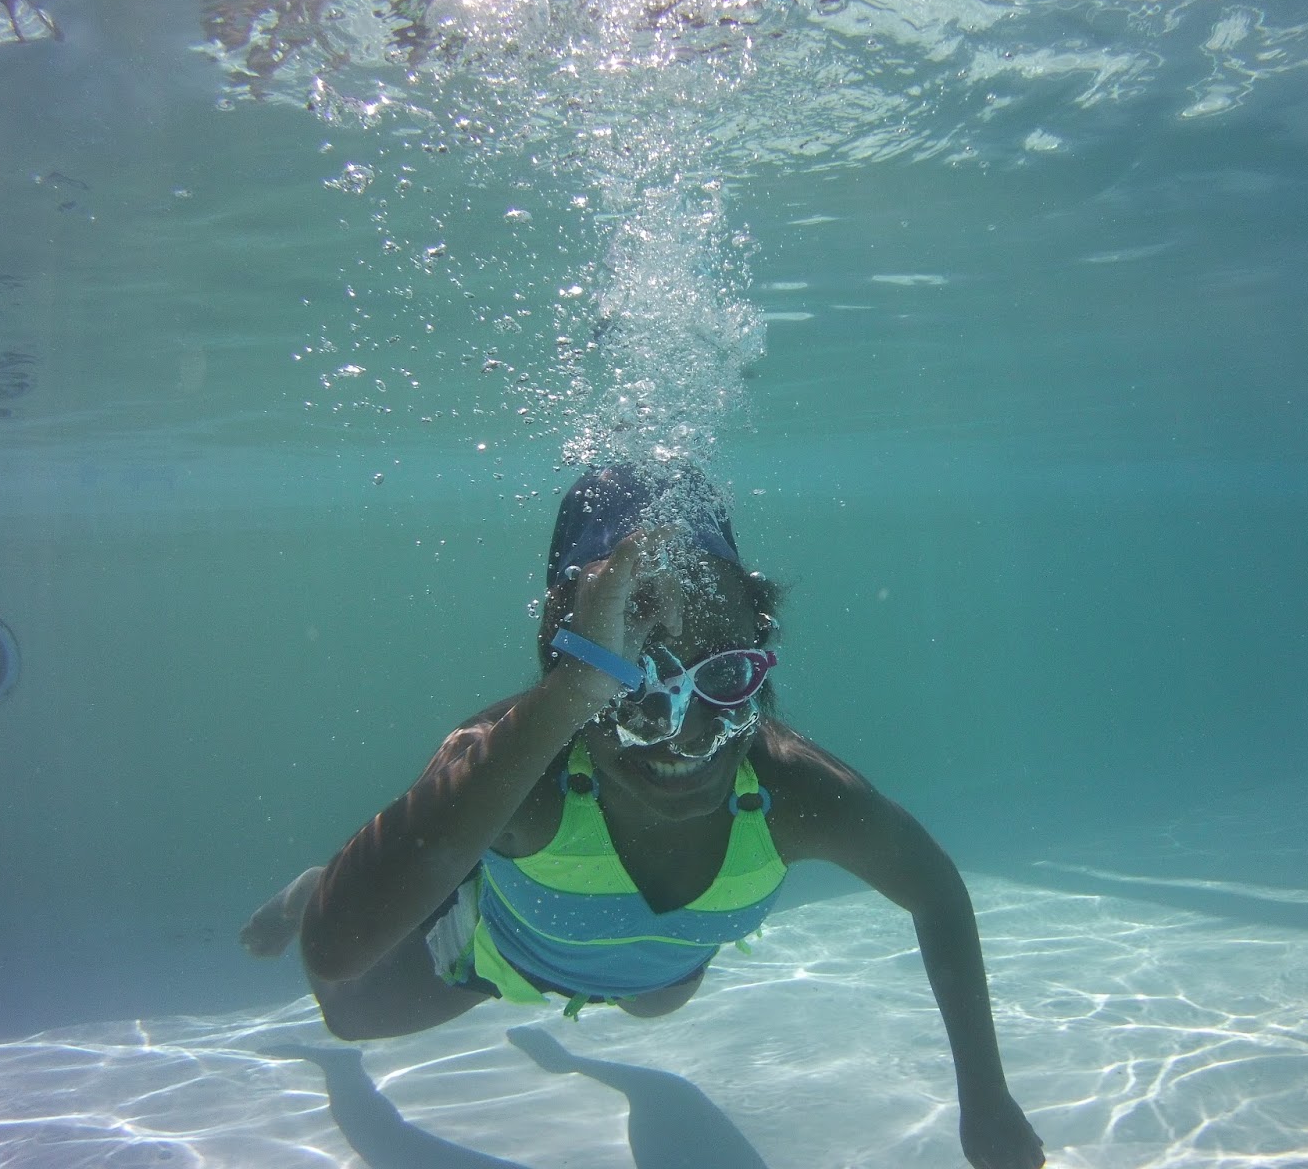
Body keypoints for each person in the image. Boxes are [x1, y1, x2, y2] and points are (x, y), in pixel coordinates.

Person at [242, 461, 1046, 1169]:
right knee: (349, 1017)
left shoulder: (795, 790)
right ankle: (309, 883)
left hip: (662, 967)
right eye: (628, 683)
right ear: (565, 670)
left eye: (721, 674)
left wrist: (986, 1095)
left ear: (759, 653)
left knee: (658, 999)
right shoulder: (522, 776)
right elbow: (338, 949)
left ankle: (604, 1044)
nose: (682, 729)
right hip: (506, 958)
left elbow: (935, 892)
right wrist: (569, 698)